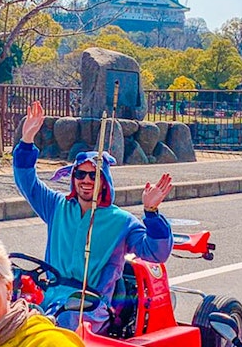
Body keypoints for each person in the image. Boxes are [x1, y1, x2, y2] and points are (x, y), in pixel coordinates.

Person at [15, 101, 174, 332]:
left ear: (104, 181)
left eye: (94, 175)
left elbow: (157, 252)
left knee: (57, 333)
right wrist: (27, 141)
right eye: (80, 174)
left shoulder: (122, 221)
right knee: (8, 318)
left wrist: (151, 213)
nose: (86, 180)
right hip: (48, 297)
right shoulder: (57, 206)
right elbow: (26, 182)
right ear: (73, 177)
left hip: (90, 307)